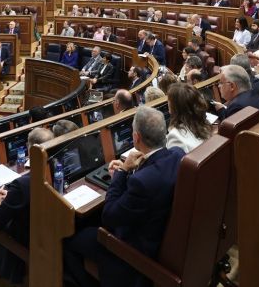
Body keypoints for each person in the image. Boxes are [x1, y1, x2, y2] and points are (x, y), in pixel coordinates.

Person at [63, 107, 185, 287]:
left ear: (136, 137)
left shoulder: (142, 182)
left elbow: (109, 216)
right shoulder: (178, 155)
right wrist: (132, 170)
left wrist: (121, 172)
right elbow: (153, 181)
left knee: (68, 238)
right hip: (158, 230)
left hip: (131, 250)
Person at [0, 127, 55, 284]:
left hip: (27, 238)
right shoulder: (54, 170)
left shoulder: (23, 183)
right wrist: (12, 196)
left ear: (31, 150)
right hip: (48, 233)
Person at [165, 82, 212, 152]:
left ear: (174, 107)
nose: (167, 103)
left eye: (168, 101)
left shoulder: (175, 137)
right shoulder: (205, 124)